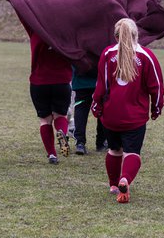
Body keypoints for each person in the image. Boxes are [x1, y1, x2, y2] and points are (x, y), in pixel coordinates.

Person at [91, 18, 164, 203]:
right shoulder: (146, 56)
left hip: (111, 115)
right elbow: (156, 87)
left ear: (116, 36)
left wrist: (96, 105)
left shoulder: (108, 54)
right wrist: (156, 108)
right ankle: (125, 179)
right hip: (134, 117)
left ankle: (114, 185)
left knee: (114, 150)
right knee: (132, 152)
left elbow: (101, 85)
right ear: (135, 34)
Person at [29, 32, 72, 164]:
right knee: (60, 116)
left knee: (45, 120)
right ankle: (61, 132)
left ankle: (52, 154)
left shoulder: (35, 33)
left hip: (39, 82)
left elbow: (24, 14)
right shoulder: (65, 35)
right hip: (61, 81)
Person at [71, 67, 107, 155]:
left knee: (81, 110)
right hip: (100, 81)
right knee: (102, 110)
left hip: (81, 81)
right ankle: (101, 143)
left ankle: (80, 142)